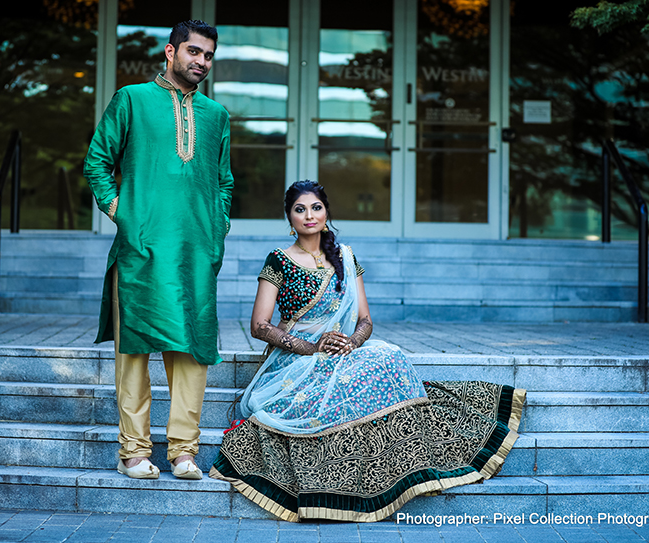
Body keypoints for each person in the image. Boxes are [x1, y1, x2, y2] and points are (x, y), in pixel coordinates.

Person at [209, 181, 525, 522]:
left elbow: (365, 320)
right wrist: (312, 348)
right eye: (300, 209)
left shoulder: (344, 256)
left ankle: (408, 461)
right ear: (289, 217)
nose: (309, 215)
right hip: (295, 358)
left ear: (326, 211)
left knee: (390, 357)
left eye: (315, 207)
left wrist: (352, 343)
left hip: (342, 350)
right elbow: (260, 326)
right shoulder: (279, 260)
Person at [84, 20, 234, 481]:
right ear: (170, 52)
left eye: (208, 56)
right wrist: (124, 216)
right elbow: (97, 162)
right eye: (193, 52)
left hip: (194, 254)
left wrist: (215, 230)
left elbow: (224, 183)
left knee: (192, 351)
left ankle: (184, 452)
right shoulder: (131, 99)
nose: (201, 62)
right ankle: (133, 451)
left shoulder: (216, 115)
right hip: (141, 249)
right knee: (134, 352)